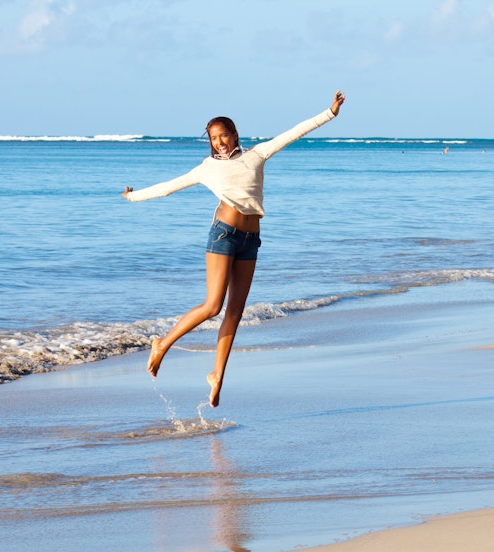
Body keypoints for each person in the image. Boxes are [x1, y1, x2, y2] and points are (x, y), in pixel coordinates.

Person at [121, 90, 346, 407]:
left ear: (234, 134)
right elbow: (168, 187)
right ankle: (162, 343)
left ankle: (217, 375)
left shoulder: (257, 154)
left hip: (251, 240)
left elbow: (294, 133)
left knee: (235, 312)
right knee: (213, 306)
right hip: (223, 236)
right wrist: (132, 196)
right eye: (214, 138)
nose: (220, 142)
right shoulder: (206, 168)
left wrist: (330, 113)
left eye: (223, 135)